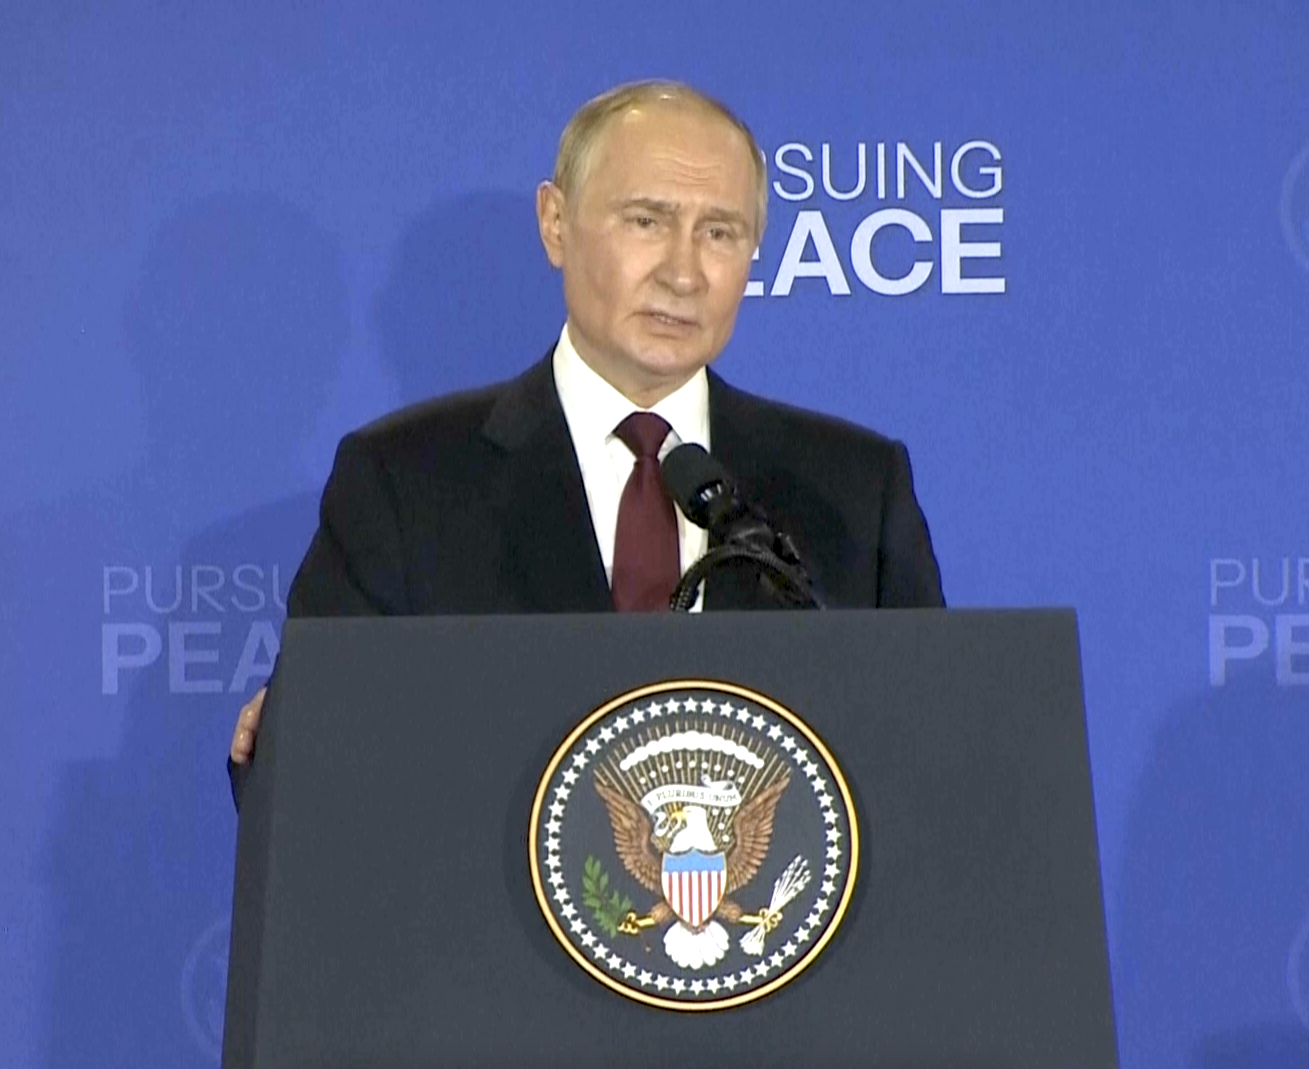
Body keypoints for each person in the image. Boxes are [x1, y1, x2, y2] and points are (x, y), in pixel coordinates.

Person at [228, 79, 945, 781]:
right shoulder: (404, 482)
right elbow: (308, 778)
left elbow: (932, 758)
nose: (684, 273)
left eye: (719, 233)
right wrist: (294, 736)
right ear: (555, 224)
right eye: (646, 221)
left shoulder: (855, 488)